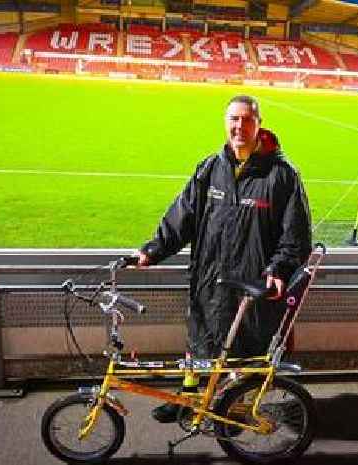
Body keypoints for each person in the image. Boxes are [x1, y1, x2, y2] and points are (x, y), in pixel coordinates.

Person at [137, 95, 312, 423]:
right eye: (234, 119)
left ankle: (236, 410)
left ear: (259, 124)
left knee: (244, 351)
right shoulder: (210, 168)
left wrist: (280, 268)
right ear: (225, 122)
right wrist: (153, 249)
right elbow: (183, 216)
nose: (239, 126)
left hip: (252, 282)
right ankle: (189, 398)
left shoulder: (283, 175)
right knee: (198, 340)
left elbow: (297, 235)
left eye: (247, 120)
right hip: (209, 277)